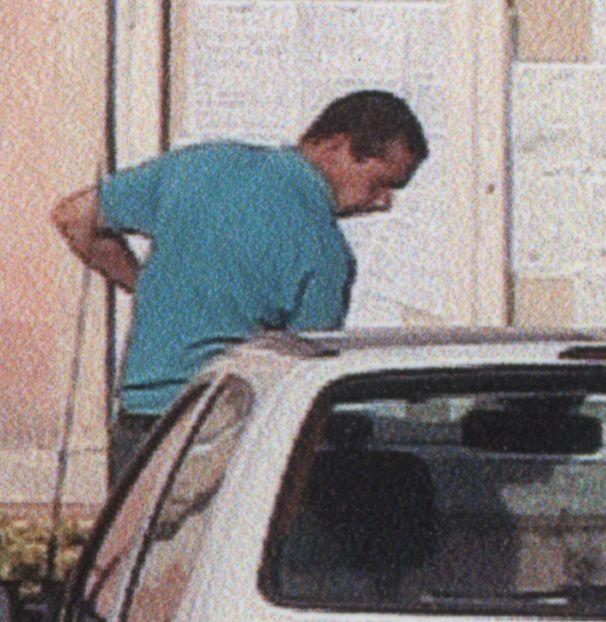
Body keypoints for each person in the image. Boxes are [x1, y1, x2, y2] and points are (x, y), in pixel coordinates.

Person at [51, 90, 428, 487]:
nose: (385, 202)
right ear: (338, 146)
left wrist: (146, 287)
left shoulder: (199, 165)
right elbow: (301, 386)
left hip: (140, 428)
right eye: (382, 183)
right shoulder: (325, 252)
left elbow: (74, 217)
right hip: (225, 432)